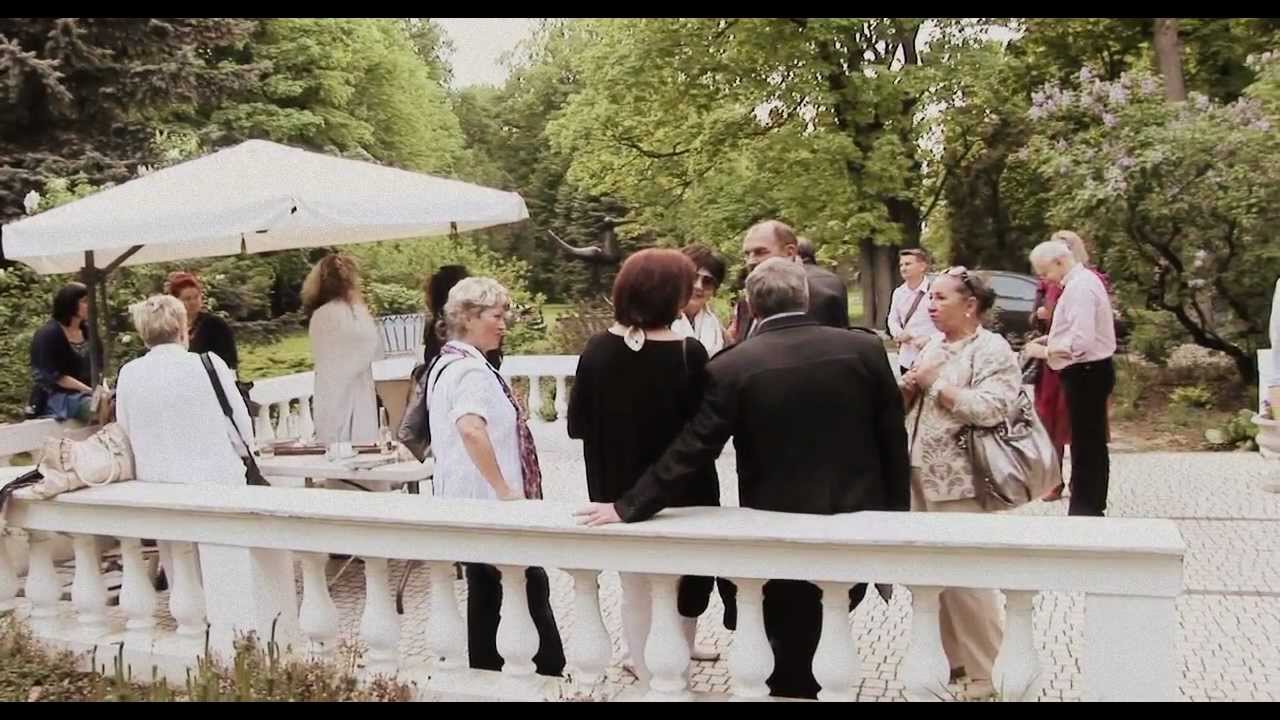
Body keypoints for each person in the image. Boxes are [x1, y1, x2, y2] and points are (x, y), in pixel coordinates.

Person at [577, 258, 910, 699]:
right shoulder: (864, 350)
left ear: (751, 305)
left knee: (787, 638)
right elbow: (892, 439)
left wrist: (629, 505)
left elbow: (693, 448)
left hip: (775, 519)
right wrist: (896, 517)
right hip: (855, 511)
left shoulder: (735, 365)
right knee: (832, 619)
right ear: (805, 296)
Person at [569, 249, 729, 681]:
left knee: (636, 588)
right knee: (684, 583)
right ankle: (674, 671)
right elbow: (703, 433)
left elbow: (577, 425)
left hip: (616, 493)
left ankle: (646, 672)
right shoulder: (689, 353)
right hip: (685, 491)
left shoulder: (596, 350)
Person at [426, 276, 564, 676]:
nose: (504, 325)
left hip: (467, 502)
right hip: (487, 504)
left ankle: (486, 673)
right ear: (468, 317)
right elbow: (471, 429)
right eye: (496, 316)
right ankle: (551, 676)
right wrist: (504, 490)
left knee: (487, 595)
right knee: (528, 587)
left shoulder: (447, 363)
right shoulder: (470, 370)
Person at [899, 267, 1021, 699]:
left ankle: (988, 671)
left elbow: (992, 408)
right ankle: (954, 661)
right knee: (931, 575)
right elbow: (915, 404)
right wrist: (908, 388)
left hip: (962, 478)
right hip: (920, 472)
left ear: (970, 305)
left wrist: (935, 385)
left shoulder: (991, 349)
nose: (931, 306)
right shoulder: (934, 344)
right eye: (930, 298)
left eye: (940, 298)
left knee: (967, 579)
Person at [116, 295, 253, 485]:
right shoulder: (209, 364)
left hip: (155, 487)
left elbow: (125, 434)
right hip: (218, 483)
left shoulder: (129, 373)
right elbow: (242, 430)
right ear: (182, 328)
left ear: (144, 336)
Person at [1025, 240, 1117, 517]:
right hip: (1087, 370)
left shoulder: (1080, 288)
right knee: (1087, 442)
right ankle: (1088, 503)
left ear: (1059, 261)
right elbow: (1076, 330)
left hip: (1087, 371)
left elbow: (1081, 342)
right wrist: (1051, 339)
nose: (1045, 279)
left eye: (1045, 272)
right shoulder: (1079, 283)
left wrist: (1045, 351)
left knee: (1087, 445)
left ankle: (1086, 508)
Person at [303, 254, 383, 445]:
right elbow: (374, 349)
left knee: (332, 445)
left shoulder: (319, 316)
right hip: (356, 394)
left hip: (328, 392)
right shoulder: (355, 314)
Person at [729, 220, 849, 344]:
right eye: (747, 254)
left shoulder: (821, 299)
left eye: (760, 252)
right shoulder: (745, 303)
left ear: (789, 252)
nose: (751, 261)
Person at [28, 282, 98, 421]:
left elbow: (98, 366)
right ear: (70, 303)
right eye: (84, 301)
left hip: (88, 393)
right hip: (57, 398)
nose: (89, 305)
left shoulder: (88, 332)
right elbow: (55, 377)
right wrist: (89, 391)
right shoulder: (48, 334)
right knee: (99, 408)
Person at [166, 271, 239, 371]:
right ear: (176, 301)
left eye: (196, 297)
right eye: (187, 299)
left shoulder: (215, 324)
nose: (193, 302)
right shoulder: (168, 326)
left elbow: (230, 360)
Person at [887, 248, 940, 376]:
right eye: (901, 265)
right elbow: (892, 319)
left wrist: (930, 339)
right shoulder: (899, 293)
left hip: (932, 356)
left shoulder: (936, 291)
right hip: (906, 358)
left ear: (922, 266)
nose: (903, 268)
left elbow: (949, 323)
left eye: (908, 264)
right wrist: (899, 333)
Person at [671, 244, 728, 358]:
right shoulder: (655, 320)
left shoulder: (718, 329)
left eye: (708, 281)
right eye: (692, 277)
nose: (698, 286)